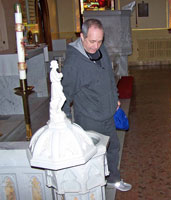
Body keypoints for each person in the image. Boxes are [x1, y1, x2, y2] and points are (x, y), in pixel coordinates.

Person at [61, 18, 131, 191]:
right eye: (92, 41)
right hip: (89, 117)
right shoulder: (73, 63)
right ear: (82, 36)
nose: (96, 45)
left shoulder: (102, 51)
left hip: (108, 113)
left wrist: (114, 97)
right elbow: (64, 94)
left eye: (100, 41)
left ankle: (113, 179)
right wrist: (66, 122)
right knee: (94, 155)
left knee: (113, 147)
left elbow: (108, 76)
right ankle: (95, 188)